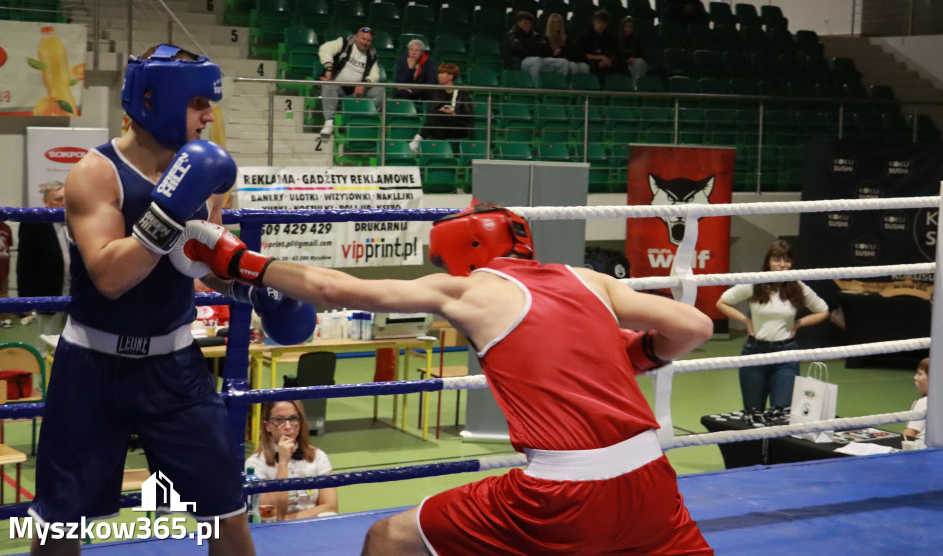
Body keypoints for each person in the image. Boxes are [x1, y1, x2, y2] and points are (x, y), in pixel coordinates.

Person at [174, 202, 716, 555]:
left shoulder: (467, 291)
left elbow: (333, 289)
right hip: (651, 479)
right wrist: (637, 355)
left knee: (387, 539)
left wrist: (242, 261)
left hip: (561, 491)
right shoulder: (587, 278)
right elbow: (694, 325)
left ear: (462, 253)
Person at [29, 44, 310, 556]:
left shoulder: (208, 175)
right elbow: (112, 277)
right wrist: (170, 207)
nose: (209, 115)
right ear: (155, 99)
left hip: (175, 367)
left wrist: (256, 288)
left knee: (227, 513)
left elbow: (204, 265)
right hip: (93, 366)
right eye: (199, 102)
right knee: (59, 525)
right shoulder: (95, 173)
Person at [716, 240, 829, 412]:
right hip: (754, 351)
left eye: (787, 261)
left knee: (781, 412)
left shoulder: (797, 286)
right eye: (777, 260)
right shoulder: (754, 283)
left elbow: (823, 310)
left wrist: (798, 324)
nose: (782, 265)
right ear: (768, 261)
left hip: (785, 355)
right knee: (753, 412)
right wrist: (746, 321)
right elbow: (722, 302)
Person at [246, 400, 337, 521]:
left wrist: (288, 520)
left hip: (313, 527)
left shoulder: (318, 456)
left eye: (293, 418)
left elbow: (331, 507)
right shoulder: (255, 463)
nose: (288, 427)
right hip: (274, 531)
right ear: (267, 426)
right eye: (279, 420)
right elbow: (268, 513)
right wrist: (283, 464)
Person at [16, 181, 71, 334]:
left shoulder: (78, 222)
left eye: (66, 198)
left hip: (76, 294)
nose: (64, 203)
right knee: (48, 344)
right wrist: (24, 301)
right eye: (58, 200)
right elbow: (24, 265)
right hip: (49, 293)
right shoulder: (33, 224)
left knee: (75, 344)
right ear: (46, 202)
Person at [317, 26, 385, 137]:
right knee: (329, 85)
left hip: (357, 90)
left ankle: (366, 120)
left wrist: (364, 84)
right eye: (363, 39)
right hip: (338, 86)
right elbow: (325, 49)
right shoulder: (344, 43)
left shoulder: (372, 53)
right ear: (356, 37)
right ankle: (329, 122)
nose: (366, 43)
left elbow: (375, 74)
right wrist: (329, 68)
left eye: (369, 40)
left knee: (380, 91)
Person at [408, 62, 472, 153]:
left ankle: (417, 142)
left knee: (438, 119)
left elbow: (469, 115)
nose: (439, 76)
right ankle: (441, 153)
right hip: (441, 125)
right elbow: (431, 113)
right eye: (439, 73)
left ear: (450, 76)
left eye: (442, 73)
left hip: (457, 127)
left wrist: (454, 113)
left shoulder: (462, 93)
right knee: (438, 121)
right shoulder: (436, 92)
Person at [505, 11, 570, 87]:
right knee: (536, 60)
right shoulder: (512, 34)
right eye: (525, 23)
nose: (528, 25)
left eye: (530, 23)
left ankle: (557, 88)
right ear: (518, 23)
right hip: (521, 62)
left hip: (538, 60)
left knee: (563, 62)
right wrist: (535, 48)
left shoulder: (535, 35)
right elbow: (520, 49)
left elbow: (544, 49)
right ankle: (535, 89)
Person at [541, 12, 588, 78]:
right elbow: (550, 54)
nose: (556, 24)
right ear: (550, 24)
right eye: (554, 22)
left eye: (559, 22)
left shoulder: (566, 39)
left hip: (567, 59)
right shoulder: (545, 38)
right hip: (552, 63)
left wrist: (563, 49)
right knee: (571, 65)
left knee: (584, 66)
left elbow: (575, 51)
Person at [576, 9, 618, 82]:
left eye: (604, 23)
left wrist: (609, 60)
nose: (601, 25)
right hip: (589, 62)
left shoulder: (610, 36)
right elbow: (581, 53)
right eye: (598, 22)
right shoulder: (586, 35)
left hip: (606, 63)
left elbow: (615, 51)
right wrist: (601, 57)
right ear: (593, 22)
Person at [393, 38, 438, 104]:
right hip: (406, 90)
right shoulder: (402, 61)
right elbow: (401, 81)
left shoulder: (428, 62)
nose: (413, 53)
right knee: (401, 93)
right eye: (411, 50)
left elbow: (432, 82)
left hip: (422, 91)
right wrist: (410, 69)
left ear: (422, 52)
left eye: (417, 51)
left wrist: (414, 91)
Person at [901, 357, 929, 445]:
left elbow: (908, 435)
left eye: (920, 374)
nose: (915, 377)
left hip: (920, 452)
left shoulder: (924, 402)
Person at [615, 16, 649, 86]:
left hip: (635, 65)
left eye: (631, 27)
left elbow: (643, 57)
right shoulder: (616, 40)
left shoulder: (636, 41)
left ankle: (637, 86)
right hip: (621, 65)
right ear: (622, 27)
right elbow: (615, 58)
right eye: (626, 26)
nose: (629, 29)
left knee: (640, 63)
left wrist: (634, 59)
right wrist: (626, 61)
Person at [0, 220, 12, 328]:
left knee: (4, 292)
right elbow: (9, 245)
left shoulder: (7, 228)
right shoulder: (6, 228)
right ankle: (6, 319)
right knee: (4, 292)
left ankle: (5, 318)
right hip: (4, 265)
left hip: (4, 266)